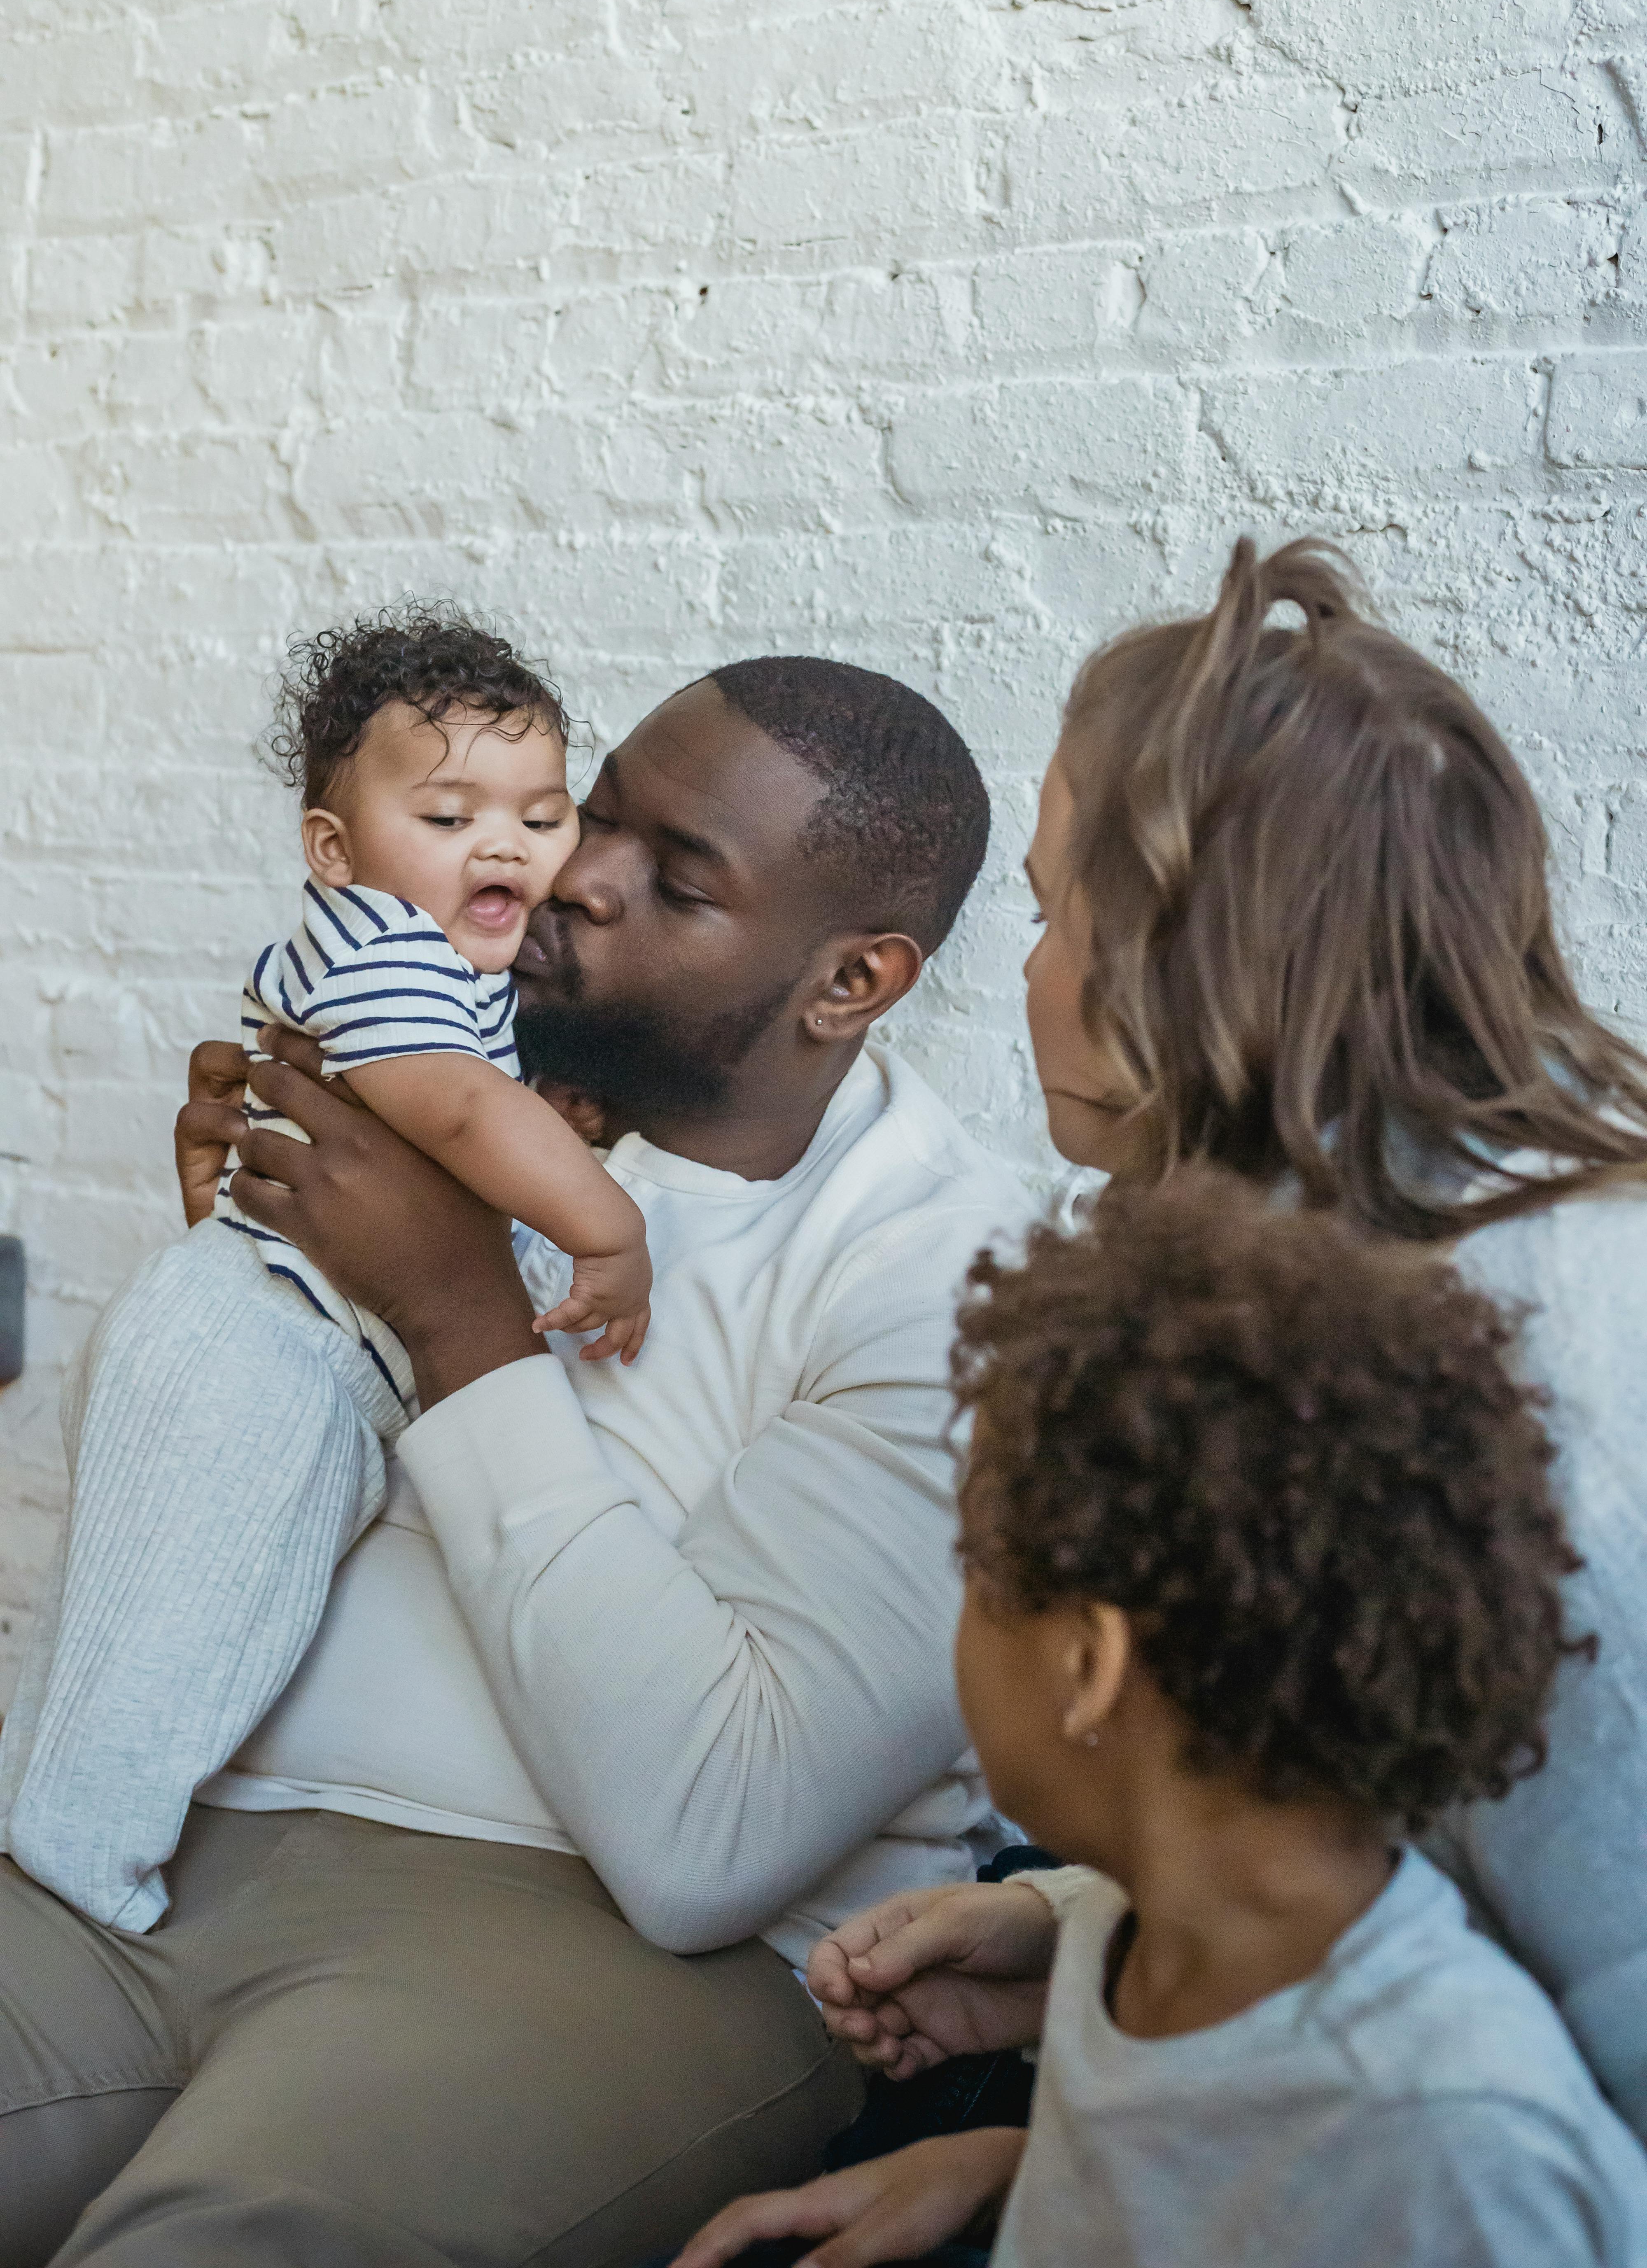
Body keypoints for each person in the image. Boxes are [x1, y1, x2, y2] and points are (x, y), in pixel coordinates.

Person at [0, 655, 1029, 2268]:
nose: (568, 881)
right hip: (159, 1841)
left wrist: (456, 1310)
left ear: (852, 982)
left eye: (669, 879)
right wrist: (265, 1275)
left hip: (585, 1948)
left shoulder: (956, 1277)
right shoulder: (464, 1084)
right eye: (591, 815)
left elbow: (712, 1843)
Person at [784, 532, 1647, 2155]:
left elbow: (1547, 2081)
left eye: (1052, 922)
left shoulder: (1529, 1364)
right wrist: (1069, 1956)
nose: (1028, 981)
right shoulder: (1354, 1257)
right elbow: (1381, 1867)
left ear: (1184, 957)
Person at [676, 1173, 1647, 2268]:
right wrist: (1009, 2174)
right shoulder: (1141, 1927)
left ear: (1090, 1664)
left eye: (981, 1577)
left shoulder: (1458, 2146)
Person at [0, 607, 653, 1937]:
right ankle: (73, 1893)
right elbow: (461, 1115)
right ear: (337, 851)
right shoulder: (377, 949)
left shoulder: (445, 962)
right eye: (452, 814)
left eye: (541, 818)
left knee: (172, 1634)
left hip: (303, 1355)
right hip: (258, 1354)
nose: (504, 848)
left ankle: (62, 1856)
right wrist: (609, 1228)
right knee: (160, 1656)